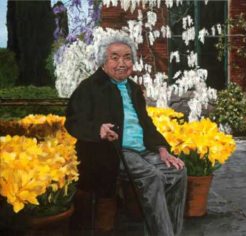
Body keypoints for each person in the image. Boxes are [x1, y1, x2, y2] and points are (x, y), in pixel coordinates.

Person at [65, 34, 187, 236]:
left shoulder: (132, 88)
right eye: (115, 57)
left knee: (177, 171)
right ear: (103, 61)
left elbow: (146, 124)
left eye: (127, 57)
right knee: (152, 176)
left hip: (142, 151)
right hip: (112, 151)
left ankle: (172, 231)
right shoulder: (89, 87)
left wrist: (162, 149)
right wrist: (99, 130)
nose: (122, 63)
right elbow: (73, 121)